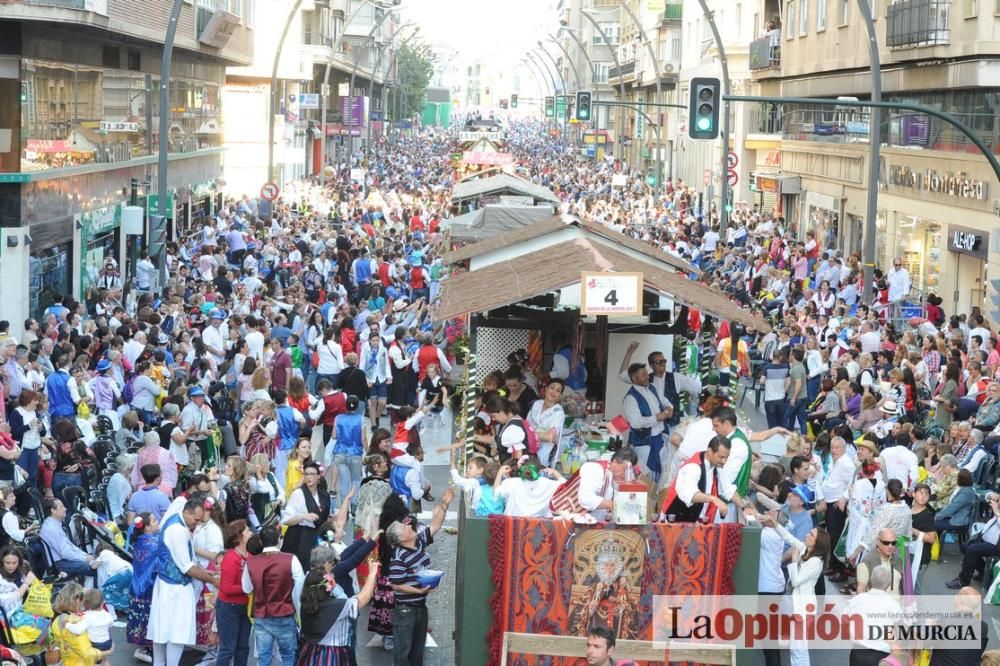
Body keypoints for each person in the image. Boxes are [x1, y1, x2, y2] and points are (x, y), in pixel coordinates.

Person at [146, 497, 220, 666]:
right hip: (174, 588)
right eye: (196, 520)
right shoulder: (178, 530)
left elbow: (189, 560)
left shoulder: (178, 523)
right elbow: (186, 567)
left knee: (162, 630)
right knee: (175, 632)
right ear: (186, 512)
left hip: (167, 584)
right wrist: (212, 580)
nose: (197, 524)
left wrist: (202, 571)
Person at [387, 486, 454, 666]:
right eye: (405, 528)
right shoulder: (399, 558)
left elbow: (436, 525)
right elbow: (396, 585)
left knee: (417, 651)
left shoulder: (418, 543)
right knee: (404, 653)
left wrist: (444, 505)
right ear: (401, 538)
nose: (409, 526)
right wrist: (418, 591)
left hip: (420, 607)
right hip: (406, 610)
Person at [297, 556, 381, 666]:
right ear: (328, 585)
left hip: (309, 653)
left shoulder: (306, 605)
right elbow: (365, 596)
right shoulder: (338, 606)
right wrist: (372, 573)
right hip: (331, 656)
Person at [241, 526, 305, 666]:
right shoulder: (291, 559)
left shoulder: (251, 562)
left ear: (261, 542)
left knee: (264, 658)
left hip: (261, 615)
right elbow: (299, 593)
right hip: (285, 614)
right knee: (288, 655)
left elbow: (246, 588)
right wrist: (301, 620)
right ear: (279, 540)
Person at [660, 436, 742, 524]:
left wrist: (745, 507)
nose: (724, 461)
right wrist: (713, 498)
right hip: (675, 523)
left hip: (698, 523)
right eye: (721, 457)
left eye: (726, 457)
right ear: (710, 451)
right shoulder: (692, 467)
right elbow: (690, 495)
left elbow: (728, 490)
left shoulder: (717, 466)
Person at [622, 362, 672, 481]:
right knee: (645, 479)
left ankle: (657, 499)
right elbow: (636, 423)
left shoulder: (652, 388)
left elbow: (664, 400)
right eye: (643, 375)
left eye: (646, 374)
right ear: (634, 378)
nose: (647, 376)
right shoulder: (630, 398)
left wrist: (669, 407)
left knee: (662, 477)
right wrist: (657, 417)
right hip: (644, 444)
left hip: (660, 439)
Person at [281, 460, 331, 570]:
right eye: (306, 474)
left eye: (312, 474)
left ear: (318, 476)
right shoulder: (298, 494)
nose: (309, 477)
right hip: (299, 536)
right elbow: (286, 519)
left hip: (316, 534)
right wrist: (303, 516)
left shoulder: (323, 494)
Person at [215, 519, 252, 666]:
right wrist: (248, 587)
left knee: (243, 648)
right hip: (229, 608)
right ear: (238, 537)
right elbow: (226, 587)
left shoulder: (250, 554)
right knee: (228, 648)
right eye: (247, 531)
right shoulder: (231, 557)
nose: (250, 533)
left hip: (245, 607)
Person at [946, 491, 1000, 589]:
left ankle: (963, 580)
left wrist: (997, 512)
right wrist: (991, 495)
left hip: (996, 545)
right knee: (965, 547)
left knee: (973, 550)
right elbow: (987, 497)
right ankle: (984, 572)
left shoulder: (998, 511)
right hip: (984, 538)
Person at [126, 513, 159, 662]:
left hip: (137, 584)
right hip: (149, 586)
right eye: (154, 520)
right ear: (146, 526)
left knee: (140, 616)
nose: (156, 522)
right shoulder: (154, 544)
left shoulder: (138, 541)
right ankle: (146, 648)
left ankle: (143, 647)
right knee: (149, 617)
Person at [40, 499, 98, 581]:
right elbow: (65, 553)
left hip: (65, 560)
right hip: (59, 564)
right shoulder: (50, 528)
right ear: (53, 510)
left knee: (97, 562)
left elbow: (70, 546)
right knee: (94, 566)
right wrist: (84, 558)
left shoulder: (55, 524)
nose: (65, 509)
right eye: (61, 507)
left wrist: (85, 556)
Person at [576, 447, 639, 521]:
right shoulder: (595, 469)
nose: (626, 475)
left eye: (629, 471)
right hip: (569, 517)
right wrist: (615, 505)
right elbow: (586, 499)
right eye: (625, 469)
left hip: (591, 520)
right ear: (614, 462)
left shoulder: (618, 477)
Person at [527, 378, 566, 468]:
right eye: (552, 388)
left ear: (560, 395)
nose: (553, 392)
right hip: (529, 450)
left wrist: (531, 434)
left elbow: (550, 437)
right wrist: (539, 434)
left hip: (546, 453)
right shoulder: (537, 404)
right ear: (546, 389)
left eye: (558, 391)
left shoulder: (558, 412)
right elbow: (526, 424)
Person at [66, 589, 115, 658]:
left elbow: (78, 630)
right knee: (104, 659)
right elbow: (111, 624)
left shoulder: (86, 616)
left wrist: (67, 625)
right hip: (107, 643)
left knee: (94, 661)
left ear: (85, 604)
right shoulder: (107, 614)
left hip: (95, 645)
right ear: (102, 603)